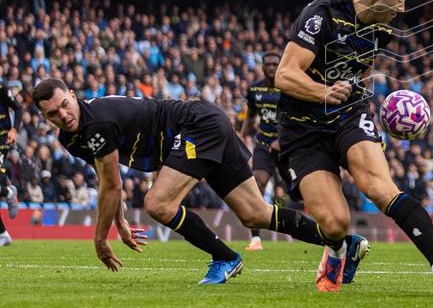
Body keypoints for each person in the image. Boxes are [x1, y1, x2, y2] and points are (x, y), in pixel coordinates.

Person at [275, 0, 433, 296]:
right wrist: (324, 91)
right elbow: (285, 75)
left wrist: (368, 106)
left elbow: (362, 68)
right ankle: (337, 249)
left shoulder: (382, 28)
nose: (404, 7)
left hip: (348, 116)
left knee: (381, 188)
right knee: (334, 223)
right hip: (303, 127)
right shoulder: (321, 15)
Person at [32, 78, 349, 284]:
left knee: (157, 203)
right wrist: (121, 222)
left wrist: (102, 238)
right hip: (204, 124)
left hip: (196, 126)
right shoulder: (71, 138)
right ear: (46, 120)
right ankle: (342, 242)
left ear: (73, 95)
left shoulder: (95, 124)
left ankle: (225, 257)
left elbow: (113, 186)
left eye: (64, 105)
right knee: (255, 213)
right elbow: (107, 179)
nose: (63, 115)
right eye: (53, 115)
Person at [241, 50, 282, 251]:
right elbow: (250, 116)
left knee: (296, 191)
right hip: (264, 144)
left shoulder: (290, 88)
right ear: (263, 67)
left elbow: (299, 119)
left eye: (276, 64)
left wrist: (282, 139)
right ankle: (256, 238)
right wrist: (240, 137)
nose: (272, 68)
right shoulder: (255, 89)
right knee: (257, 183)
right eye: (269, 65)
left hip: (289, 146)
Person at [0, 79, 22, 245]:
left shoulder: (2, 88)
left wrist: (14, 130)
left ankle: (8, 192)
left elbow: (18, 107)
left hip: (2, 139)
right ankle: (3, 235)